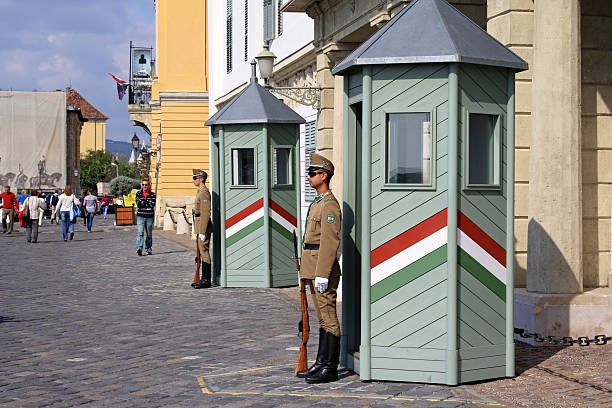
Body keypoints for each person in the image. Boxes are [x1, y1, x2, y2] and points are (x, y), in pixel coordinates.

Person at [296, 153, 342, 384]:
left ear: (323, 176)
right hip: (312, 268)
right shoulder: (318, 203)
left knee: (329, 318)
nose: (308, 177)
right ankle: (321, 362)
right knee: (322, 319)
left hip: (321, 270)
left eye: (312, 174)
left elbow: (329, 242)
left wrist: (322, 273)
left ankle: (330, 367)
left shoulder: (329, 205)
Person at [191, 169, 214, 289]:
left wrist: (203, 231)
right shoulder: (200, 191)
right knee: (201, 251)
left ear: (201, 179)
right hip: (199, 224)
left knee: (204, 252)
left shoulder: (204, 192)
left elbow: (205, 212)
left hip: (203, 225)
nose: (193, 180)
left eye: (195, 177)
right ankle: (203, 278)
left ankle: (206, 280)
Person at [135, 179, 156, 256]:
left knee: (149, 234)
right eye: (143, 185)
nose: (144, 186)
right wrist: (147, 202)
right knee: (140, 233)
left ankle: (148, 248)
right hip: (140, 216)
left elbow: (152, 204)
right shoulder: (138, 193)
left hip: (149, 216)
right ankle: (139, 248)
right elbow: (139, 204)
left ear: (149, 185)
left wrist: (143, 202)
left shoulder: (153, 194)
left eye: (146, 185)